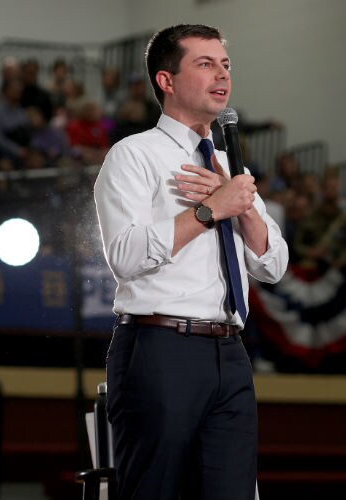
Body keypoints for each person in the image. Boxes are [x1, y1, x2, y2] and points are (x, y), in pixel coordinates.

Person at [93, 24, 289, 500]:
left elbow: (273, 265)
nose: (221, 75)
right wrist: (209, 211)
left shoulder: (229, 165)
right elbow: (125, 256)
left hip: (230, 350)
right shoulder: (134, 155)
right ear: (166, 80)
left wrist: (239, 206)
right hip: (160, 346)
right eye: (205, 64)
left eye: (225, 65)